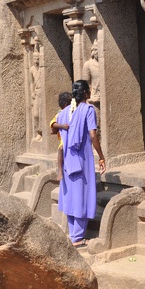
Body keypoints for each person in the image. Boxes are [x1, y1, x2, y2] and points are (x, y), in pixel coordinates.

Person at [56, 80, 106, 247]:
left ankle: (73, 234)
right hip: (82, 160)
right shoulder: (88, 110)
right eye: (89, 90)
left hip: (67, 162)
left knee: (71, 197)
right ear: (85, 93)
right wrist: (101, 156)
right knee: (82, 197)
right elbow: (93, 135)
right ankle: (77, 237)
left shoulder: (63, 114)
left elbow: (54, 128)